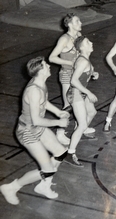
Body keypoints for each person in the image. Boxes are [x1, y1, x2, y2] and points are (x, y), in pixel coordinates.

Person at [0, 57, 69, 205]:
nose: (49, 66)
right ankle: (11, 187)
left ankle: (44, 185)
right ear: (40, 71)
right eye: (46, 65)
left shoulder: (40, 83)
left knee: (61, 152)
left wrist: (58, 112)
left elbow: (44, 102)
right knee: (48, 169)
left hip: (36, 127)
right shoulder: (34, 91)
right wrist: (58, 122)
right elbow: (37, 120)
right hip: (27, 131)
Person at [48, 13, 94, 145]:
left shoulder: (79, 37)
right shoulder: (64, 39)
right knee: (68, 106)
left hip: (79, 75)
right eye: (77, 21)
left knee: (81, 104)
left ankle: (80, 127)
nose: (81, 23)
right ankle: (60, 133)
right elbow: (52, 58)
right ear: (70, 24)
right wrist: (71, 64)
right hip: (67, 75)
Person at [64, 36, 99, 167]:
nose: (91, 42)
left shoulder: (85, 60)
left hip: (80, 93)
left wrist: (94, 73)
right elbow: (73, 80)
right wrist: (89, 92)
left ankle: (81, 131)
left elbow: (84, 73)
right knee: (83, 124)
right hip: (76, 94)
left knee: (92, 112)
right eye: (88, 42)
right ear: (82, 47)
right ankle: (69, 153)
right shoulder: (83, 61)